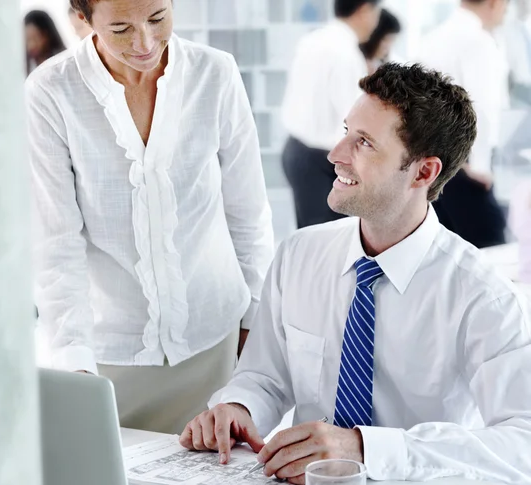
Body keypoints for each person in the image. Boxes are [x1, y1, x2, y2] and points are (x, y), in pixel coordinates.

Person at [181, 63, 531, 484]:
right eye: (346, 131)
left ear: (424, 172)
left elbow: (522, 445)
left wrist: (366, 448)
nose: (335, 154)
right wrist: (239, 407)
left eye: (363, 143)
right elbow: (264, 377)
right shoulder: (298, 255)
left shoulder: (482, 295)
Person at [25, 0, 274, 435]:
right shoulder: (50, 92)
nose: (145, 42)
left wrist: (255, 322)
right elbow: (56, 243)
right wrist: (74, 365)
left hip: (215, 338)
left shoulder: (215, 73)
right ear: (82, 19)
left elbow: (248, 211)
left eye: (158, 18)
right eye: (120, 28)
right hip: (110, 356)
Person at [281, 0, 381, 229]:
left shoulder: (313, 40)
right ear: (364, 10)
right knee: (328, 244)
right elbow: (356, 116)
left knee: (311, 237)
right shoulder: (345, 53)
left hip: (296, 151)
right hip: (321, 160)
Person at [419, 0, 509, 248]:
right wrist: (479, 165)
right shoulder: (477, 40)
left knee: (446, 250)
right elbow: (481, 106)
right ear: (495, 3)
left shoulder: (434, 37)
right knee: (492, 245)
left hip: (432, 159)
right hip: (465, 161)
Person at [359, 8, 401, 74]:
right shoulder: (357, 60)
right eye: (385, 39)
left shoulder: (383, 64)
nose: (388, 46)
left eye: (391, 41)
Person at [24, 10, 66, 75]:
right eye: (28, 40)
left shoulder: (63, 64)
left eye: (36, 38)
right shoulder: (25, 68)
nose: (32, 44)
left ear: (48, 34)